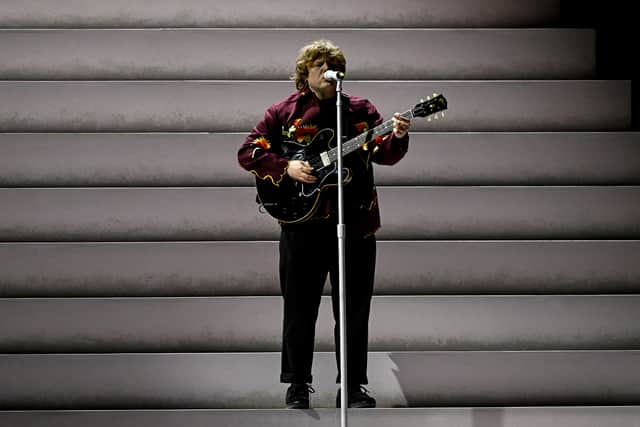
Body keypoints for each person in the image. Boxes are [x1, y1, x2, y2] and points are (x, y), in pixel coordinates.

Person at [237, 39, 410, 409]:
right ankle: (297, 383)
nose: (331, 73)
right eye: (322, 67)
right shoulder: (284, 112)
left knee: (353, 308)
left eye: (335, 66)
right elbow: (249, 151)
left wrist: (397, 136)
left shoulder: (360, 111)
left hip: (355, 223)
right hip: (301, 225)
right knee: (299, 308)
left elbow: (384, 154)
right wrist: (286, 167)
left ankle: (351, 385)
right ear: (306, 74)